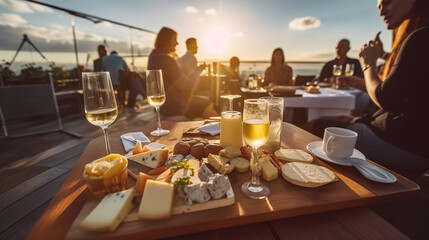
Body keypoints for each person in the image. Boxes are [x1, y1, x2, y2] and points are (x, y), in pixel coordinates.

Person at [311, 0, 429, 173]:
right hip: (409, 137)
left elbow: (385, 98)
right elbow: (402, 93)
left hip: (406, 142)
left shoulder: (421, 37)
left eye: (387, 3)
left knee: (316, 125)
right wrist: (360, 82)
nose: (382, 12)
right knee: (344, 119)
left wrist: (368, 64)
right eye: (380, 7)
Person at [147, 27, 218, 119]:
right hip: (174, 106)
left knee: (203, 102)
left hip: (164, 105)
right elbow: (186, 87)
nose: (177, 43)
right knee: (207, 103)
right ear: (166, 40)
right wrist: (198, 71)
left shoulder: (153, 56)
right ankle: (218, 130)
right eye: (175, 39)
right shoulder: (167, 59)